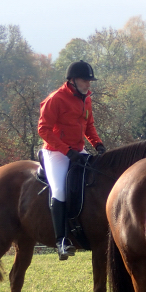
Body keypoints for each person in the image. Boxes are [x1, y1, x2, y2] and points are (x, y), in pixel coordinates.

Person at [38, 60, 105, 260]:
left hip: (78, 150)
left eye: (90, 81)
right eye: (85, 80)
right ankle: (61, 241)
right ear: (73, 81)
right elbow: (43, 129)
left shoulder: (86, 99)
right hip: (55, 152)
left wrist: (98, 144)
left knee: (97, 178)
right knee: (59, 189)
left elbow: (89, 126)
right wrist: (66, 151)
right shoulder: (56, 99)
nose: (89, 84)